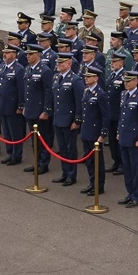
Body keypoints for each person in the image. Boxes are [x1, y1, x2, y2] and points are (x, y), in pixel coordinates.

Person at [116, 71, 138, 208]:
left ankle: (136, 196)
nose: (126, 83)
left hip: (134, 138)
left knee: (135, 169)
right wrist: (118, 131)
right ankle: (130, 193)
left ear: (136, 81)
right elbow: (122, 116)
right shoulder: (124, 95)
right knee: (127, 167)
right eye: (125, 81)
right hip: (124, 136)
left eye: (129, 81)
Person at [51, 52, 84, 186]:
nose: (58, 65)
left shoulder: (75, 80)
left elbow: (79, 102)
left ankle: (72, 174)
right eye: (58, 62)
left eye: (61, 63)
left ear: (69, 63)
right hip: (58, 118)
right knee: (62, 148)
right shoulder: (56, 77)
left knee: (71, 148)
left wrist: (77, 120)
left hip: (69, 120)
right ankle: (64, 172)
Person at [21, 45, 53, 172]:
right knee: (34, 139)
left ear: (38, 55)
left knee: (43, 138)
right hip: (30, 109)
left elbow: (48, 93)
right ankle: (36, 161)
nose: (28, 56)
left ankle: (44, 163)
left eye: (31, 54)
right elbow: (27, 90)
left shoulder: (45, 71)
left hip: (40, 111)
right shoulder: (28, 68)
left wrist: (46, 110)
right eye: (27, 54)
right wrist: (24, 106)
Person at [0, 45, 27, 165]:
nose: (5, 54)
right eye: (4, 52)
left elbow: (21, 89)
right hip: (2, 104)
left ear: (15, 54)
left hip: (12, 106)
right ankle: (10, 153)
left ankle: (17, 155)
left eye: (8, 52)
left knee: (15, 132)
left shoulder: (19, 69)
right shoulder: (1, 66)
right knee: (6, 131)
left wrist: (20, 106)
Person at [79, 66, 109, 196]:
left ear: (96, 78)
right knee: (89, 160)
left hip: (95, 132)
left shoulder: (100, 94)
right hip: (86, 130)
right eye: (86, 76)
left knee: (97, 161)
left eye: (89, 76)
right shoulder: (87, 91)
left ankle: (99, 185)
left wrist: (103, 133)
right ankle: (92, 183)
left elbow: (105, 115)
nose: (86, 78)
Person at [105, 53, 127, 174]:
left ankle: (123, 164)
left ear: (121, 62)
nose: (112, 64)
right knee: (112, 140)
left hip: (119, 112)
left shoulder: (124, 76)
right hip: (110, 112)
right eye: (112, 62)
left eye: (115, 62)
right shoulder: (111, 75)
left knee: (119, 140)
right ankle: (116, 161)